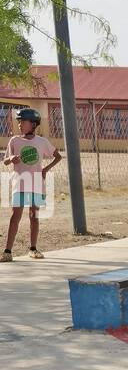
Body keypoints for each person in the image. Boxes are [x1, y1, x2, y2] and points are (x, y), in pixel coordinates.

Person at [2, 107, 62, 262]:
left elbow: (58, 156)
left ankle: (33, 249)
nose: (20, 125)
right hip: (20, 184)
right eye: (19, 122)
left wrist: (45, 169)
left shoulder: (42, 142)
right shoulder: (14, 140)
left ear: (34, 124)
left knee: (34, 216)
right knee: (15, 216)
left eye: (23, 122)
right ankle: (7, 251)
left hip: (36, 183)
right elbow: (5, 160)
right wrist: (12, 159)